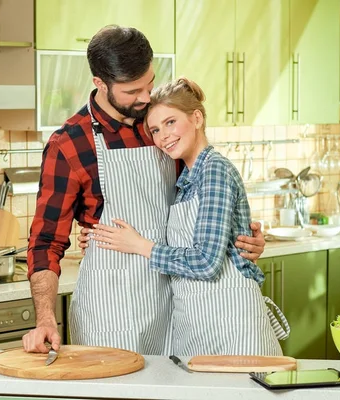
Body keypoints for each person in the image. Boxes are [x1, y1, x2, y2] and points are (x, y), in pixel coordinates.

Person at [23, 25, 266, 355]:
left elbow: (202, 196)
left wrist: (242, 236)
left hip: (180, 305)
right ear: (99, 83)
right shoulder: (70, 144)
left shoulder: (161, 121)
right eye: (132, 90)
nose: (144, 97)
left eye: (149, 84)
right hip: (112, 310)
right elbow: (46, 241)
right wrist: (46, 319)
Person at [88, 77, 289, 356]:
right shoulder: (185, 177)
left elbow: (206, 262)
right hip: (198, 322)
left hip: (231, 322)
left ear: (196, 118)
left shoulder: (214, 171)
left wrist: (139, 245)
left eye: (171, 122)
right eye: (155, 129)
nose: (163, 136)